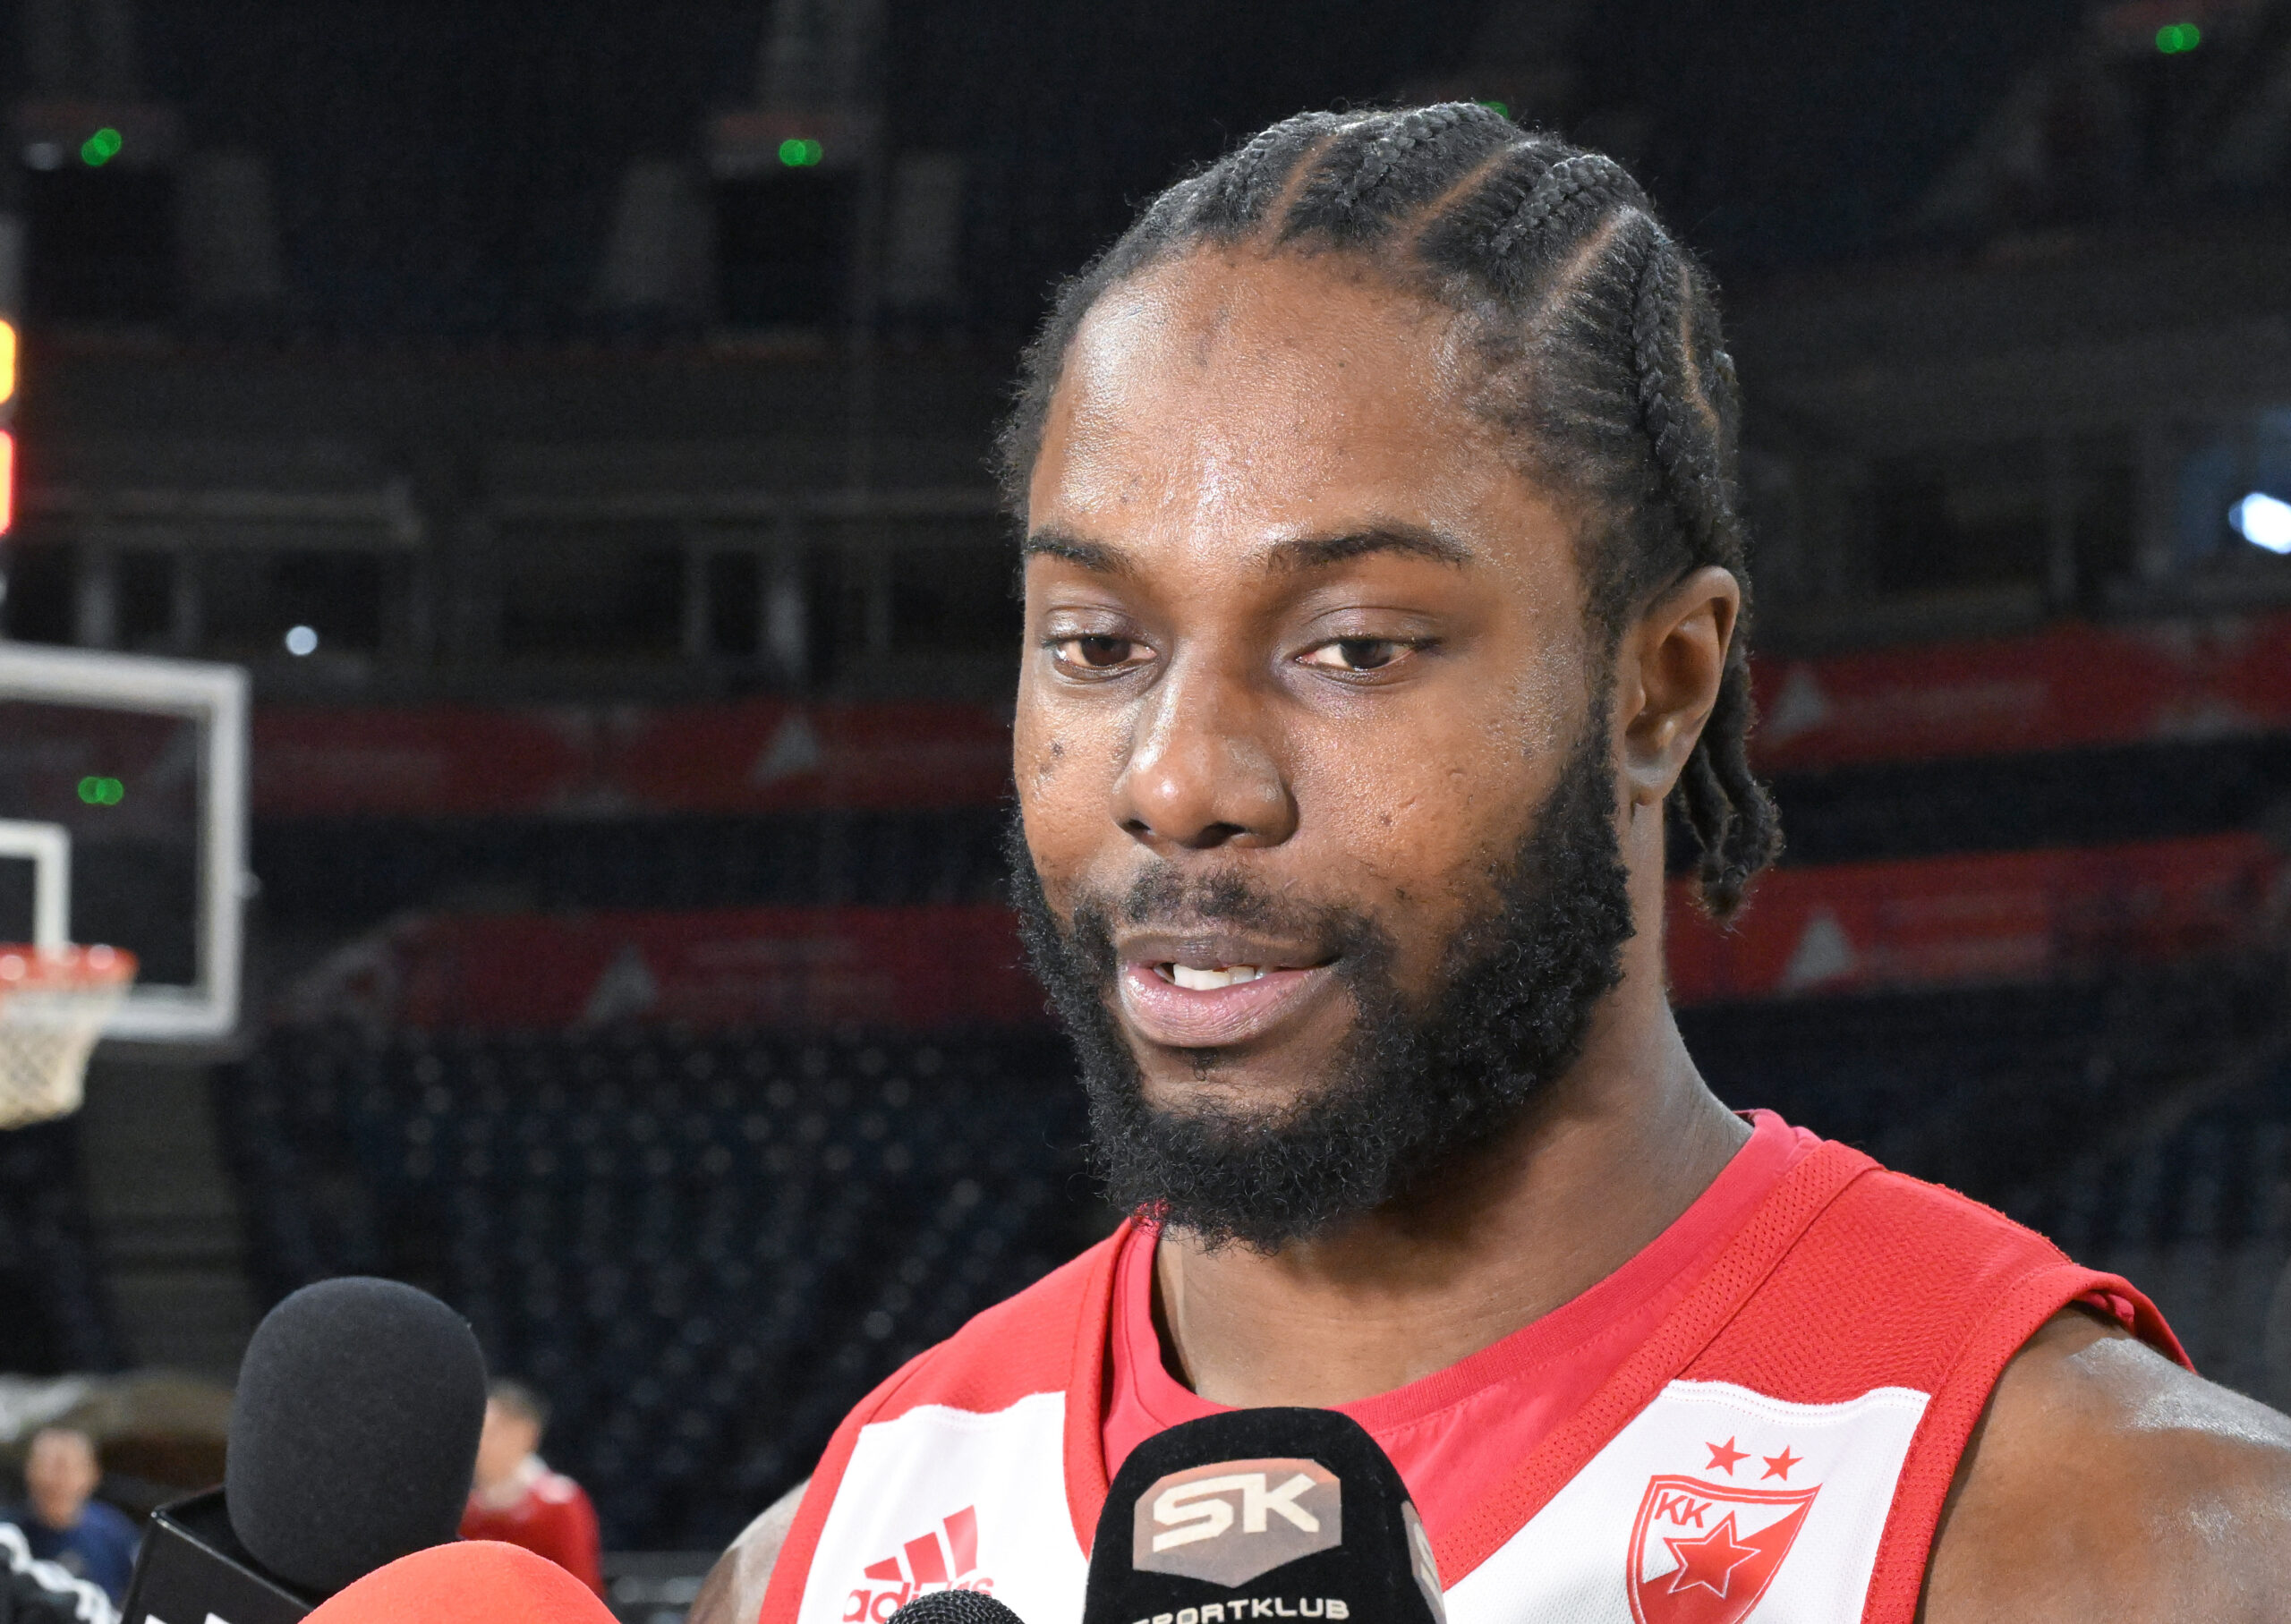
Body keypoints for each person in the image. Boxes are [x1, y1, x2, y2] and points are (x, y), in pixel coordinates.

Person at [692, 104, 2291, 1624]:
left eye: (1356, 646)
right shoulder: (820, 1569)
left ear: (1658, 686)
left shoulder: (2142, 1546)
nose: (1175, 781)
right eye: (1098, 645)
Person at [459, 1380, 603, 1598]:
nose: (479, 1444)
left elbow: (582, 1593)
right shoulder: (466, 1509)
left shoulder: (559, 1505)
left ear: (524, 1433)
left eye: (489, 1433)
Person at [1, 1426, 136, 1607]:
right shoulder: (6, 1533)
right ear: (29, 1470)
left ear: (92, 1474)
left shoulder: (114, 1532)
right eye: (47, 1466)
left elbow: (132, 1596)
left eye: (68, 1468)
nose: (57, 1481)